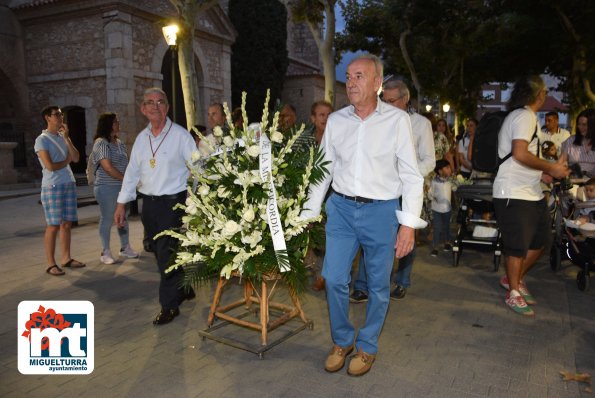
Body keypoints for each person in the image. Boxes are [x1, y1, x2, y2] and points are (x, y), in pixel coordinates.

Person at [300, 54, 425, 376]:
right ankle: (342, 340)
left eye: (359, 76)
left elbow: (412, 175)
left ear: (377, 84)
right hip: (340, 209)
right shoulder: (338, 120)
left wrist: (408, 226)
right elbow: (323, 168)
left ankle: (367, 345)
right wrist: (309, 211)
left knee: (379, 285)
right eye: (349, 76)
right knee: (335, 279)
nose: (352, 82)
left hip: (381, 212)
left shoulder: (397, 121)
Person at [114, 87, 196, 325]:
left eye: (160, 102)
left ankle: (169, 305)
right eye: (149, 102)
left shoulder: (181, 136)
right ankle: (184, 287)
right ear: (143, 109)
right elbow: (131, 173)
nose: (154, 106)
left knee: (165, 254)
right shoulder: (142, 139)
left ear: (167, 107)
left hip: (173, 203)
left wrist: (198, 197)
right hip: (149, 205)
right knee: (159, 250)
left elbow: (198, 168)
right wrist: (121, 204)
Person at [350, 78, 434, 302]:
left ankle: (401, 281)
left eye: (391, 100)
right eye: (383, 100)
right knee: (371, 238)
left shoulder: (421, 125)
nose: (385, 104)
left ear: (405, 99)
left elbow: (429, 161)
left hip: (407, 192)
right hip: (381, 191)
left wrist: (408, 175)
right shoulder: (377, 121)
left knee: (405, 236)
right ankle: (363, 285)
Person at [493, 75, 570, 316]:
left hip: (531, 191)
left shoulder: (527, 118)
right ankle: (514, 292)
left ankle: (513, 279)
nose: (545, 95)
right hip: (513, 193)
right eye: (545, 92)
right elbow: (519, 154)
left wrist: (541, 176)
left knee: (541, 241)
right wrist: (551, 168)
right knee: (517, 246)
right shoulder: (524, 116)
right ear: (539, 95)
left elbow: (523, 158)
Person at [34, 106, 86, 276]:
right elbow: (49, 166)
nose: (60, 117)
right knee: (53, 225)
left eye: (61, 114)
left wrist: (67, 138)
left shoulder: (62, 137)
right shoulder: (42, 139)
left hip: (68, 183)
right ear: (47, 118)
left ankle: (66, 258)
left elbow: (76, 158)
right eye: (57, 115)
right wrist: (66, 161)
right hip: (53, 186)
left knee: (67, 224)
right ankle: (50, 263)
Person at [90, 112, 139, 264]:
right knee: (108, 218)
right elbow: (108, 167)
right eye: (116, 122)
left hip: (122, 187)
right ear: (108, 124)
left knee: (123, 217)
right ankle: (105, 251)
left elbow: (127, 164)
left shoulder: (120, 143)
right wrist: (126, 179)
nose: (119, 124)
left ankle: (125, 248)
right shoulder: (101, 143)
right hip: (107, 187)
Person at [559, 109, 595, 177]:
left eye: (584, 124)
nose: (580, 127)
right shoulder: (570, 141)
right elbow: (560, 163)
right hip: (573, 182)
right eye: (579, 124)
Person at [429, 159, 453, 256]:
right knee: (437, 227)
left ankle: (447, 242)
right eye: (447, 168)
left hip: (447, 208)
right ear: (440, 171)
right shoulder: (434, 181)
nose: (450, 169)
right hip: (436, 208)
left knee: (447, 226)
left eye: (449, 167)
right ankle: (435, 247)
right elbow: (430, 193)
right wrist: (432, 196)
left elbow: (454, 189)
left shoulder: (450, 180)